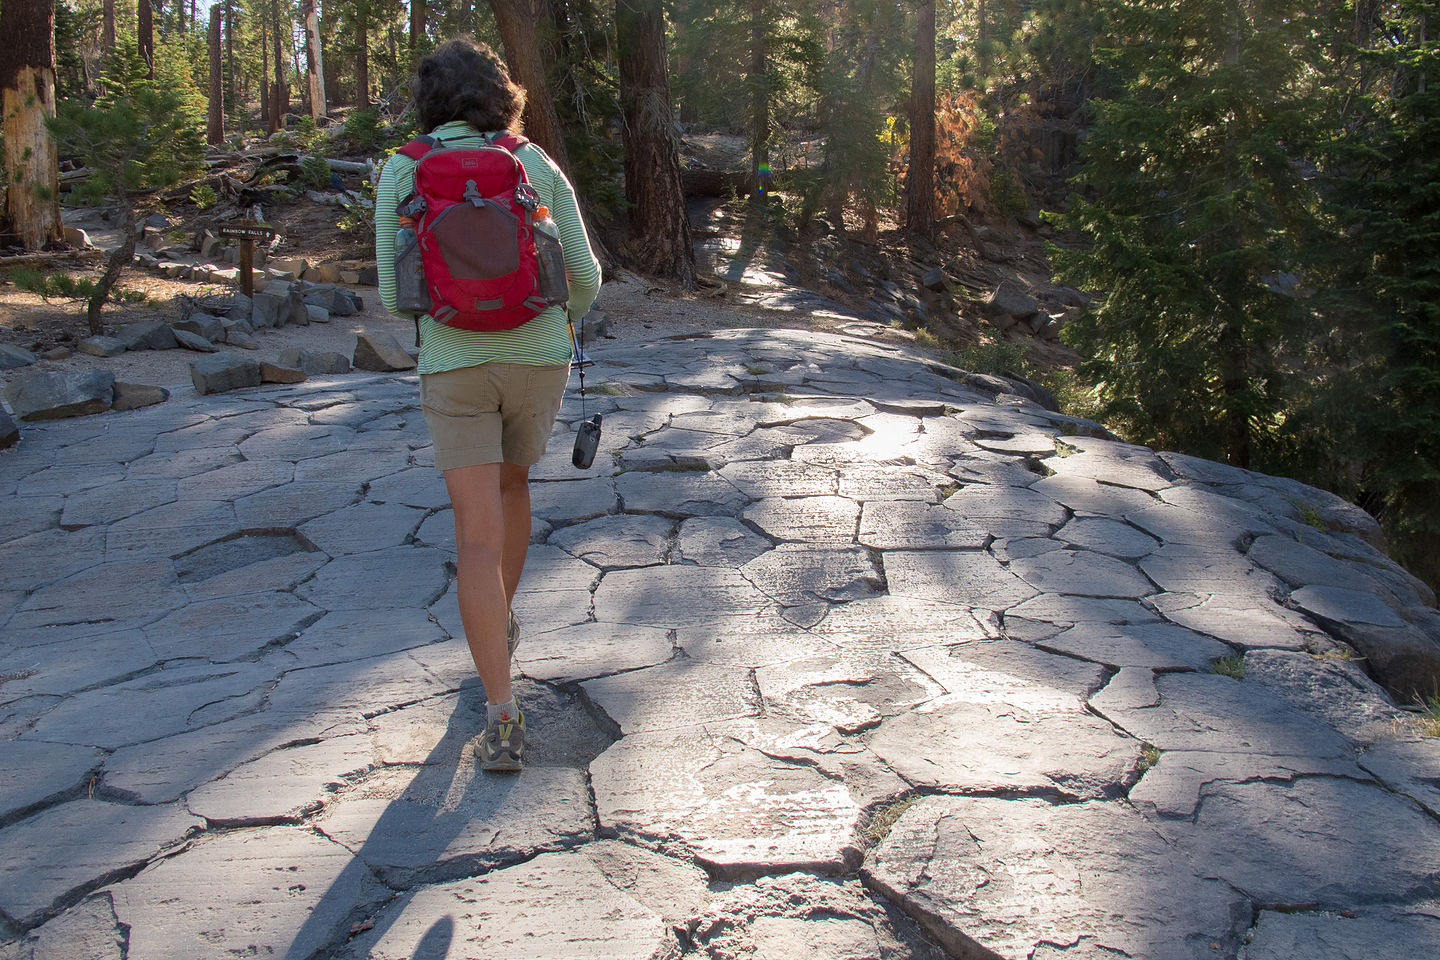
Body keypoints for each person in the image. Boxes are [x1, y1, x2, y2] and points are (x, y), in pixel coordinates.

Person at [376, 38, 601, 772]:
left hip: (453, 364)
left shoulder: (403, 167)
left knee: (474, 536)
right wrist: (559, 330)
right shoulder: (530, 162)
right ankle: (500, 623)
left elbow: (391, 293)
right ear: (500, 94)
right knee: (515, 486)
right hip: (537, 356)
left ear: (430, 99)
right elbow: (586, 274)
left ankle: (501, 715)